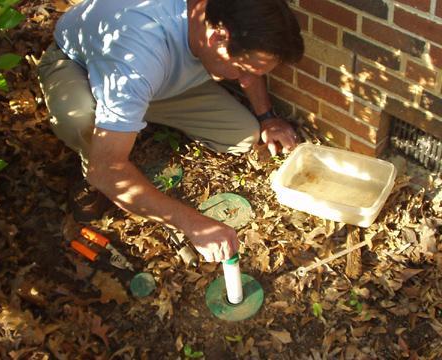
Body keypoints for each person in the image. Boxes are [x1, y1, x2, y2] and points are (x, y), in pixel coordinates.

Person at [38, 0, 304, 263]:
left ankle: (129, 117)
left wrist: (266, 117)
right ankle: (102, 151)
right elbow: (106, 170)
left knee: (244, 135)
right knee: (82, 120)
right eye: (242, 69)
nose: (246, 80)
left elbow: (251, 64)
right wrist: (194, 224)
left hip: (158, 83)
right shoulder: (135, 58)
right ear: (218, 37)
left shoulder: (224, 17)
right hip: (79, 67)